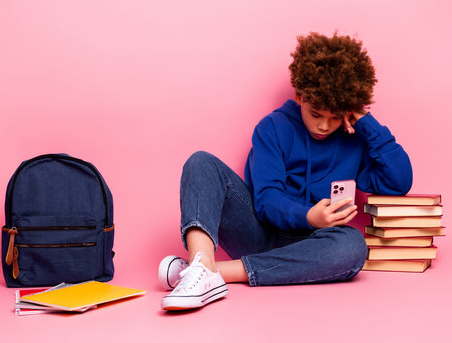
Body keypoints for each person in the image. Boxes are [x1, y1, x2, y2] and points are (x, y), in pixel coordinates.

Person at [158, 32, 413, 310]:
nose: (324, 126)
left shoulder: (355, 139)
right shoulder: (274, 128)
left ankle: (215, 272)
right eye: (316, 114)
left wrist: (367, 123)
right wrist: (309, 216)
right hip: (258, 233)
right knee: (201, 162)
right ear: (301, 96)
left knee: (353, 247)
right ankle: (200, 264)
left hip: (311, 248)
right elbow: (266, 199)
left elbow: (398, 182)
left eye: (335, 117)